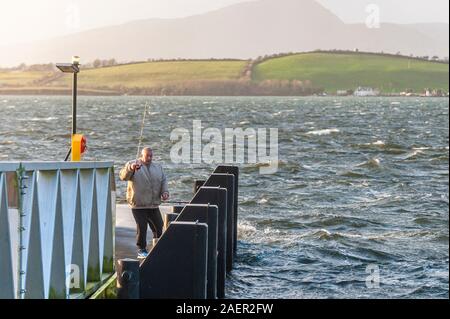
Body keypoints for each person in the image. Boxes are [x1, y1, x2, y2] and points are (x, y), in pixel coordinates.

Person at [119, 147, 169, 258]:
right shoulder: (133, 164)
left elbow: (164, 180)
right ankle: (141, 249)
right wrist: (131, 168)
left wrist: (165, 192)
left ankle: (158, 247)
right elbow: (123, 176)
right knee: (142, 227)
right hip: (138, 204)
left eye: (151, 156)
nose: (150, 158)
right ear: (142, 155)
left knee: (159, 226)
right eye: (147, 156)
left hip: (153, 204)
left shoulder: (158, 167)